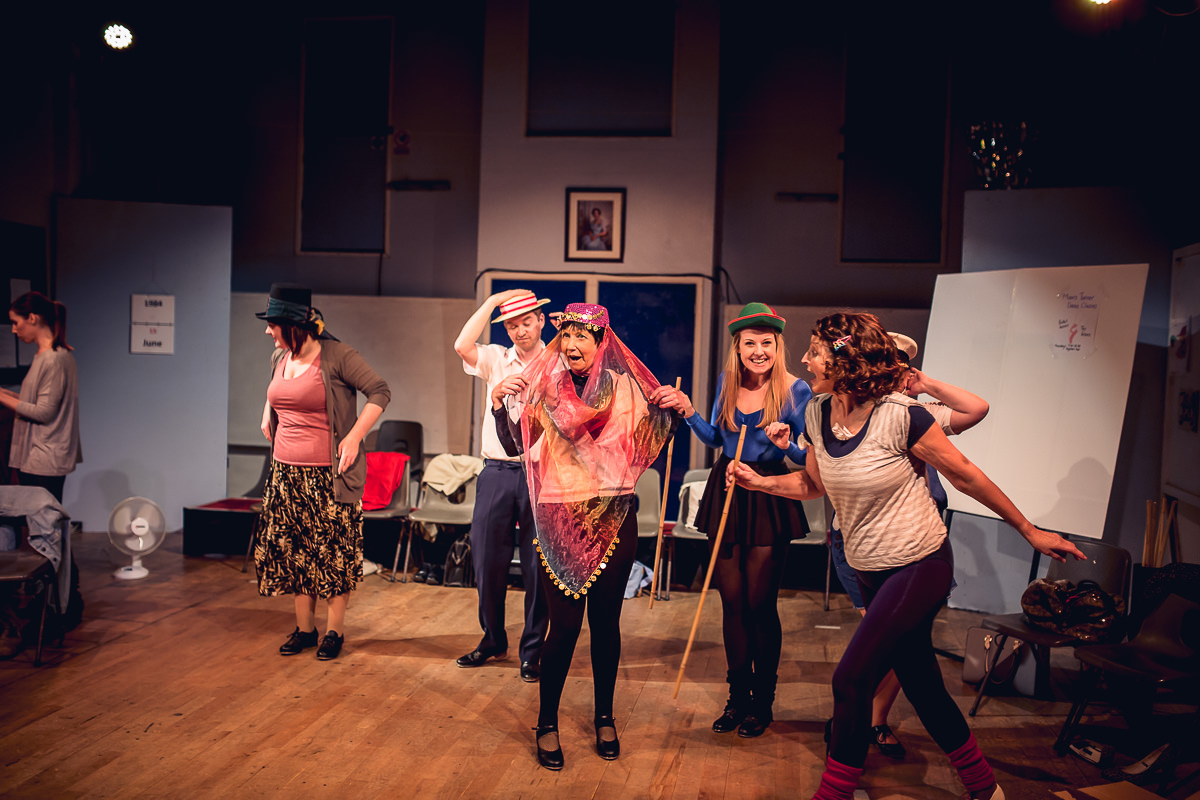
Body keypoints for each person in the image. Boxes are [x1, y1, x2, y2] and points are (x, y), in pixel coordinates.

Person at [730, 312, 1084, 800]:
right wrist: (761, 482)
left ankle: (833, 794)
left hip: (920, 563)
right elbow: (813, 484)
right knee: (922, 684)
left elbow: (965, 475)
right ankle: (985, 787)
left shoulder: (902, 415)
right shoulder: (816, 411)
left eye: (814, 352)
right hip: (868, 566)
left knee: (851, 679)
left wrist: (1029, 530)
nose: (806, 360)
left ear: (843, 361)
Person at [491, 302, 674, 770]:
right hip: (560, 515)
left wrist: (676, 412)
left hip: (613, 512)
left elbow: (646, 441)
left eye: (582, 337)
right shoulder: (545, 386)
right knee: (566, 626)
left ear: (601, 342)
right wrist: (498, 406)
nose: (571, 345)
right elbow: (515, 446)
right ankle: (546, 723)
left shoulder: (625, 387)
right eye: (567, 336)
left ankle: (605, 717)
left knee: (607, 625)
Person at [650, 302, 812, 738]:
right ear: (737, 348)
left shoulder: (796, 390)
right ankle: (737, 698)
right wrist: (688, 412)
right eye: (750, 343)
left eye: (766, 343)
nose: (758, 351)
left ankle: (763, 702)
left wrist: (787, 445)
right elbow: (716, 438)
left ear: (777, 346)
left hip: (767, 492)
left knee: (760, 605)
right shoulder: (727, 381)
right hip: (726, 487)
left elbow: (806, 458)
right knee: (732, 602)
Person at [825, 331, 990, 760]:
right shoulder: (845, 410)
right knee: (891, 641)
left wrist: (925, 384)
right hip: (859, 541)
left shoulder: (916, 413)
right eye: (886, 363)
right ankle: (856, 713)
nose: (890, 373)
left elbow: (976, 409)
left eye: (900, 367)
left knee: (900, 640)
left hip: (917, 546)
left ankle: (870, 715)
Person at [254, 283, 390, 661]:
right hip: (285, 474)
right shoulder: (280, 357)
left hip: (327, 477)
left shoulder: (337, 356)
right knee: (296, 553)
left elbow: (380, 391)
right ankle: (305, 630)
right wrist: (268, 410)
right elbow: (278, 391)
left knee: (331, 555)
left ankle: (334, 632)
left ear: (291, 325)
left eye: (272, 324)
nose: (267, 331)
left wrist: (354, 436)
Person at [451, 289, 550, 681]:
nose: (520, 331)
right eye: (511, 325)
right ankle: (492, 639)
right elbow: (461, 345)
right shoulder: (496, 357)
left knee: (537, 566)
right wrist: (492, 302)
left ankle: (532, 650)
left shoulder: (556, 360)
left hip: (541, 473)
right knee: (487, 557)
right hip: (497, 470)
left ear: (541, 321)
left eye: (526, 322)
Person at [2, 292, 82, 503]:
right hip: (36, 457)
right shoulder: (44, 356)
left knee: (44, 520)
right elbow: (33, 401)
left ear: (32, 318)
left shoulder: (53, 359)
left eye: (15, 322)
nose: (14, 329)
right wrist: (4, 394)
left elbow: (44, 412)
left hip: (44, 459)